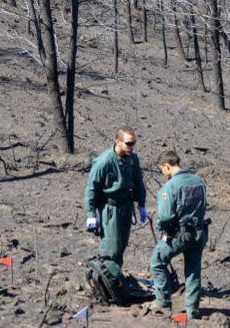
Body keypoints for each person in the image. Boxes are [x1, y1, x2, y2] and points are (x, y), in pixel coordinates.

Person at [149, 150, 209, 318]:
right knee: (193, 271)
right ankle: (192, 309)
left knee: (157, 261)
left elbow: (166, 216)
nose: (163, 174)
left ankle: (162, 302)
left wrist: (161, 226)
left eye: (162, 170)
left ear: (166, 166)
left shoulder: (170, 187)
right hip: (199, 233)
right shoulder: (198, 181)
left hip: (180, 235)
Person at [84, 126, 147, 270]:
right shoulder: (104, 161)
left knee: (121, 247)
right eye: (128, 143)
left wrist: (141, 204)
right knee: (110, 248)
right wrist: (91, 215)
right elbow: (91, 189)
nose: (132, 147)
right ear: (118, 142)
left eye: (134, 143)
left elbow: (138, 181)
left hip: (126, 206)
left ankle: (116, 280)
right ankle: (105, 281)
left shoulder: (132, 159)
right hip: (110, 209)